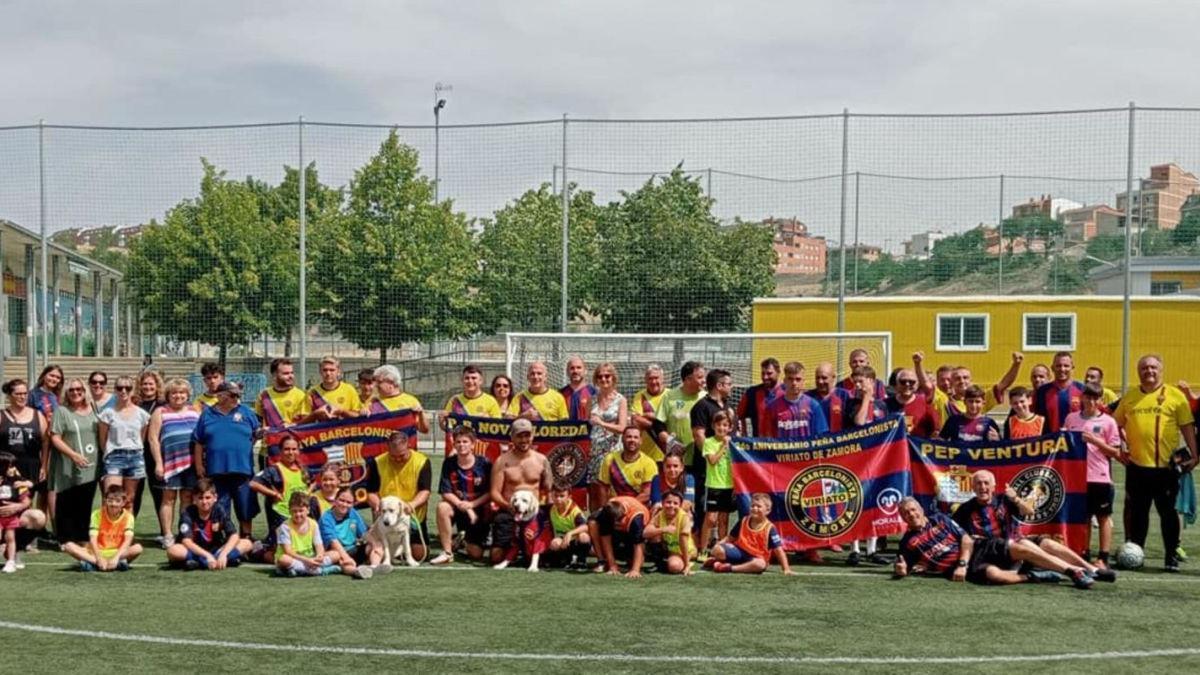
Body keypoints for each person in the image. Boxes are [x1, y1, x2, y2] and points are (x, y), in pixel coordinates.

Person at [1113, 354, 1198, 572]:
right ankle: (1136, 554)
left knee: (1168, 513)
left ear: (1161, 370)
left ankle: (1171, 556)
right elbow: (1114, 425)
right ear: (1138, 371)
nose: (1148, 371)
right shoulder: (1130, 397)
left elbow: (1187, 426)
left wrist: (1195, 453)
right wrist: (1119, 448)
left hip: (1166, 468)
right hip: (1137, 467)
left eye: (1153, 368)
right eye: (1144, 368)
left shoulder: (1176, 396)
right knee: (1138, 513)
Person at [895, 497, 1093, 588]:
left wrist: (962, 564)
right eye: (906, 513)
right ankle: (1035, 576)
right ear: (902, 518)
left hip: (978, 549)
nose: (911, 515)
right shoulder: (907, 543)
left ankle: (1073, 571)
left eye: (913, 509)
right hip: (967, 567)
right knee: (996, 576)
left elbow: (965, 538)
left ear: (920, 509)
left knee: (1021, 549)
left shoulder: (940, 519)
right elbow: (905, 566)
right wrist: (901, 571)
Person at [191, 381, 260, 539]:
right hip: (216, 470)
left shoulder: (246, 412)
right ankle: (222, 538)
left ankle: (246, 537)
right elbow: (198, 441)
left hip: (242, 469)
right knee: (220, 507)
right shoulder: (207, 415)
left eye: (238, 395)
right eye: (233, 395)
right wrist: (199, 465)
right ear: (220, 396)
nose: (236, 398)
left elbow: (256, 434)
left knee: (245, 506)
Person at [1064, 384, 1123, 568]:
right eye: (1088, 397)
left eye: (1095, 398)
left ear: (1100, 401)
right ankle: (1084, 552)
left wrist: (1096, 441)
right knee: (1084, 517)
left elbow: (1116, 452)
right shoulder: (1072, 418)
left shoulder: (1108, 422)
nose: (1091, 402)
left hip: (1099, 476)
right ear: (1081, 398)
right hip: (1077, 477)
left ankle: (1103, 557)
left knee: (1103, 517)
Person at [488, 418, 553, 564]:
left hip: (535, 515)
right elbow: (494, 493)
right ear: (511, 437)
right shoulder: (502, 461)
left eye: (527, 435)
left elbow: (549, 490)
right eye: (519, 436)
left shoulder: (542, 460)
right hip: (509, 512)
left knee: (548, 558)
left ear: (532, 436)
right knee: (496, 558)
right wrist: (509, 507)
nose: (524, 440)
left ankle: (526, 551)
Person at [48, 378, 101, 550]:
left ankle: (82, 538)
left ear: (85, 391)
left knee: (85, 502)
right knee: (66, 502)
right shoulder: (62, 411)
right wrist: (73, 455)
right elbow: (55, 436)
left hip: (91, 465)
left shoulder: (94, 409)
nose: (76, 393)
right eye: (71, 390)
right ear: (66, 393)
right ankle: (65, 538)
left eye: (79, 389)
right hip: (68, 464)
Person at [364, 431, 432, 563]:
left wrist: (412, 504)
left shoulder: (422, 462)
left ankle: (401, 551)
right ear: (387, 448)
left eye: (402, 455)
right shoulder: (377, 462)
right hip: (385, 517)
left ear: (409, 446)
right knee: (371, 552)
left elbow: (425, 491)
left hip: (412, 516)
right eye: (393, 456)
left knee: (420, 554)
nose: (398, 459)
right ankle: (387, 551)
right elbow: (371, 492)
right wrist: (378, 505)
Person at [147, 378, 199, 548]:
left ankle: (184, 533)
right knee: (168, 499)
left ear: (187, 395)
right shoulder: (160, 412)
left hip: (191, 463)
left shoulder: (195, 410)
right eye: (174, 393)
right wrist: (158, 463)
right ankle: (167, 535)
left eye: (182, 393)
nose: (178, 396)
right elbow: (153, 439)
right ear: (168, 395)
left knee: (187, 498)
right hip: (169, 463)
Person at [430, 426, 493, 565]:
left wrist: (472, 505)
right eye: (458, 442)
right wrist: (462, 505)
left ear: (473, 444)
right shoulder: (449, 463)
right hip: (459, 508)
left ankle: (462, 541)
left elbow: (490, 492)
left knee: (476, 554)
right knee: (442, 507)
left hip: (479, 510)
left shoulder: (485, 464)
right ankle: (447, 552)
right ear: (454, 444)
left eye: (465, 442)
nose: (461, 445)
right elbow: (446, 492)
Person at [166, 478, 252, 570]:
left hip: (216, 550)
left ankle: (199, 562)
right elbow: (186, 541)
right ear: (194, 498)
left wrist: (223, 554)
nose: (204, 502)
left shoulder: (219, 509)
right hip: (195, 551)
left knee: (247, 543)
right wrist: (207, 556)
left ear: (215, 498)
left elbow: (234, 536)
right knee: (173, 551)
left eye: (208, 498)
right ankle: (222, 560)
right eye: (200, 498)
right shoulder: (188, 513)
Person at [1, 379, 49, 543]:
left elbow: (45, 442)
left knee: (27, 503)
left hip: (31, 466)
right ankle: (7, 540)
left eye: (25, 393)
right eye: (18, 393)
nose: (22, 396)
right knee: (8, 502)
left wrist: (44, 465)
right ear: (9, 395)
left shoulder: (37, 415)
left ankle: (24, 541)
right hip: (7, 468)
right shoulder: (2, 415)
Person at [690, 368, 733, 543]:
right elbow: (699, 435)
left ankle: (720, 544)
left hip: (726, 473)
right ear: (719, 385)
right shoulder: (701, 406)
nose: (731, 387)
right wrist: (711, 457)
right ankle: (702, 544)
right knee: (706, 511)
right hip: (707, 470)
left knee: (724, 514)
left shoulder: (727, 406)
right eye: (729, 384)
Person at [97, 376, 152, 507]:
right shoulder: (107, 413)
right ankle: (108, 528)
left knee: (129, 500)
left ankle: (127, 528)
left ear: (132, 390)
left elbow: (141, 437)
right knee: (110, 498)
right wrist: (109, 453)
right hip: (114, 457)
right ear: (115, 390)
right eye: (119, 388)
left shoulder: (141, 414)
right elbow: (102, 439)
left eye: (127, 388)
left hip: (135, 456)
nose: (123, 391)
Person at [62, 483, 143, 572]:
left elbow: (127, 541)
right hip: (96, 553)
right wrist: (99, 558)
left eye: (117, 501)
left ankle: (93, 565)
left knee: (138, 548)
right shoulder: (97, 514)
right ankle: (107, 564)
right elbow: (93, 539)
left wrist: (116, 557)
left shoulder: (128, 517)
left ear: (123, 502)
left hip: (117, 552)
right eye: (110, 500)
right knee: (68, 546)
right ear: (105, 500)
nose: (113, 504)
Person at [708, 492, 793, 575]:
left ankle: (729, 568)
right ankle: (717, 561)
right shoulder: (744, 520)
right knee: (718, 550)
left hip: (756, 557)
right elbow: (730, 538)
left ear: (767, 510)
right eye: (752, 506)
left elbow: (778, 550)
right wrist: (717, 546)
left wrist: (786, 569)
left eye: (759, 506)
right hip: (739, 552)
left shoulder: (770, 528)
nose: (755, 508)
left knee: (760, 565)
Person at [250, 434, 311, 546]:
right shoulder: (274, 469)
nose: (291, 452)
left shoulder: (303, 469)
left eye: (294, 449)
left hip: (301, 515)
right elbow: (253, 483)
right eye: (287, 449)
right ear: (281, 451)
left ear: (298, 451)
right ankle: (260, 549)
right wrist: (273, 493)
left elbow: (312, 484)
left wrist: (309, 492)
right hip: (282, 515)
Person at [587, 363, 628, 506]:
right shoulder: (591, 399)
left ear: (613, 378)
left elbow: (622, 427)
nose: (603, 379)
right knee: (594, 491)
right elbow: (588, 426)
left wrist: (602, 423)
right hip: (594, 453)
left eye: (607, 376)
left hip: (612, 451)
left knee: (611, 491)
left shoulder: (621, 400)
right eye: (600, 376)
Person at [132, 370, 166, 530]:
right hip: (136, 453)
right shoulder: (133, 402)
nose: (147, 387)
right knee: (134, 493)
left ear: (157, 385)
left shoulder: (163, 404)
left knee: (159, 492)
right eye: (144, 384)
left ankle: (164, 531)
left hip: (155, 453)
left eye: (151, 384)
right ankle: (127, 530)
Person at [700, 411, 736, 559]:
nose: (722, 428)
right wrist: (724, 447)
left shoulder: (733, 442)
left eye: (725, 425)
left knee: (723, 520)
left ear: (730, 427)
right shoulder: (709, 442)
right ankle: (703, 549)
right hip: (714, 485)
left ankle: (720, 549)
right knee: (710, 519)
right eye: (719, 425)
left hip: (728, 486)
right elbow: (713, 461)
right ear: (713, 426)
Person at [274, 492, 338, 577]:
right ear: (289, 511)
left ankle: (297, 570)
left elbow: (319, 545)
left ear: (308, 510)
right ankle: (319, 571)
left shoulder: (313, 523)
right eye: (294, 511)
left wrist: (319, 556)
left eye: (301, 511)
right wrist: (307, 561)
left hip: (309, 557)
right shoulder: (285, 527)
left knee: (336, 554)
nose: (298, 514)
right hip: (294, 558)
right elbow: (288, 551)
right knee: (283, 559)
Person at [763, 361, 829, 440]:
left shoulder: (813, 406)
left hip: (806, 452)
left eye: (798, 379)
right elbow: (766, 440)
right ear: (784, 381)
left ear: (803, 381)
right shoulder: (772, 407)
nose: (794, 383)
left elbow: (823, 437)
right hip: (782, 452)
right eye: (790, 379)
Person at [588, 495, 649, 578]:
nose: (618, 524)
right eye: (615, 522)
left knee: (638, 563)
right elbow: (605, 537)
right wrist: (612, 565)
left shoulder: (636, 519)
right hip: (616, 533)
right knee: (592, 523)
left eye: (620, 520)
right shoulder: (606, 512)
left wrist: (635, 570)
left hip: (632, 533)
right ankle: (601, 561)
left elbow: (638, 543)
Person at [318, 486, 373, 579]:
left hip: (353, 549)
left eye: (348, 502)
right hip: (337, 552)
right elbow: (334, 543)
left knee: (372, 545)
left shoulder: (353, 513)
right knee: (341, 559)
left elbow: (364, 534)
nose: (344, 504)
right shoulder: (326, 518)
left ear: (353, 504)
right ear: (335, 500)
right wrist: (347, 558)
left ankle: (374, 566)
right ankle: (356, 572)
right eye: (341, 500)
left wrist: (375, 544)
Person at [597, 426, 657, 505]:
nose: (632, 440)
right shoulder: (610, 459)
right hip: (615, 507)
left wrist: (626, 506)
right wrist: (604, 509)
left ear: (641, 441)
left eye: (636, 437)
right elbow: (603, 487)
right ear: (622, 439)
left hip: (639, 506)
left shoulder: (649, 463)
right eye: (629, 437)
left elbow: (646, 494)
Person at [365, 365, 430, 435]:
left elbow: (424, 429)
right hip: (378, 444)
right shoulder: (373, 401)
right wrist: (363, 414)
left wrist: (421, 414)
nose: (375, 385)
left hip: (403, 444)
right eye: (375, 382)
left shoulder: (410, 401)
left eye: (379, 382)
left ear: (391, 382)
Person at [644, 489, 694, 575]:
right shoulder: (660, 514)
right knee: (654, 535)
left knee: (674, 567)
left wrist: (687, 565)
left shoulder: (684, 517)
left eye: (675, 503)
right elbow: (645, 533)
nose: (671, 505)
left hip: (684, 551)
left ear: (680, 505)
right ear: (662, 503)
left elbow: (684, 540)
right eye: (668, 502)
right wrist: (664, 529)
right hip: (670, 550)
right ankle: (659, 562)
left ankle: (683, 562)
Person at [1033, 352, 1085, 434]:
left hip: (1076, 443)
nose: (1062, 369)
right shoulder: (1042, 392)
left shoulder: (1082, 390)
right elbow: (1035, 419)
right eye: (1058, 366)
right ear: (1052, 368)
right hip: (1049, 442)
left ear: (1072, 368)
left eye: (1066, 366)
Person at [256, 358, 313, 429]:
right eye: (286, 373)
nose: (290, 376)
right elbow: (258, 421)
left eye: (292, 373)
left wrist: (292, 425)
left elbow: (306, 423)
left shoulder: (301, 396)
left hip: (293, 438)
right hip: (271, 438)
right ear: (274, 375)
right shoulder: (264, 395)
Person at [0, 452, 31, 573]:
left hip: (11, 517)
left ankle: (11, 561)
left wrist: (18, 506)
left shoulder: (16, 482)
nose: (14, 469)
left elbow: (26, 499)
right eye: (11, 466)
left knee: (11, 538)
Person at [630, 365, 668, 463]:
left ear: (663, 379)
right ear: (645, 380)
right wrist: (660, 424)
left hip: (667, 454)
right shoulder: (640, 396)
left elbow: (671, 420)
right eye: (650, 378)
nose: (653, 382)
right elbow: (636, 419)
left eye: (656, 378)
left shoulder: (670, 395)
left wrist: (650, 415)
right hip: (645, 454)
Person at [546, 483, 590, 568]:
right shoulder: (551, 508)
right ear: (551, 495)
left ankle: (581, 560)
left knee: (584, 536)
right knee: (554, 543)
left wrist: (570, 533)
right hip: (562, 542)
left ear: (569, 497)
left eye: (562, 496)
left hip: (575, 541)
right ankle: (566, 560)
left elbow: (585, 527)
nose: (558, 499)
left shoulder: (574, 510)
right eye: (555, 496)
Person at [736, 358, 783, 437]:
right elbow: (739, 415)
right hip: (759, 445)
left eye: (769, 373)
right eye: (763, 373)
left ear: (778, 372)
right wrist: (744, 435)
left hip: (783, 445)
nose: (765, 377)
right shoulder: (752, 392)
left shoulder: (788, 393)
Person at [308, 356, 363, 420]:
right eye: (325, 370)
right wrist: (315, 414)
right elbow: (303, 422)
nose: (328, 373)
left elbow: (359, 417)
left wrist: (342, 412)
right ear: (320, 371)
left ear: (338, 372)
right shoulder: (312, 393)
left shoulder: (349, 390)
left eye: (332, 370)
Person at [886, 367, 937, 437]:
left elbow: (934, 430)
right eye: (903, 382)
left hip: (916, 446)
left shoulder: (925, 403)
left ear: (917, 384)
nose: (907, 384)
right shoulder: (884, 404)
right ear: (896, 383)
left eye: (912, 382)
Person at [807, 362, 849, 433]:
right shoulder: (808, 397)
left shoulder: (844, 395)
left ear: (833, 377)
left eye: (824, 378)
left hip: (838, 441)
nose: (820, 381)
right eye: (817, 378)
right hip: (815, 441)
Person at [561, 356, 597, 421]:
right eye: (572, 368)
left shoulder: (594, 392)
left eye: (579, 367)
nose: (575, 371)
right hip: (567, 430)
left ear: (585, 371)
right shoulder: (560, 394)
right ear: (567, 372)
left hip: (588, 430)